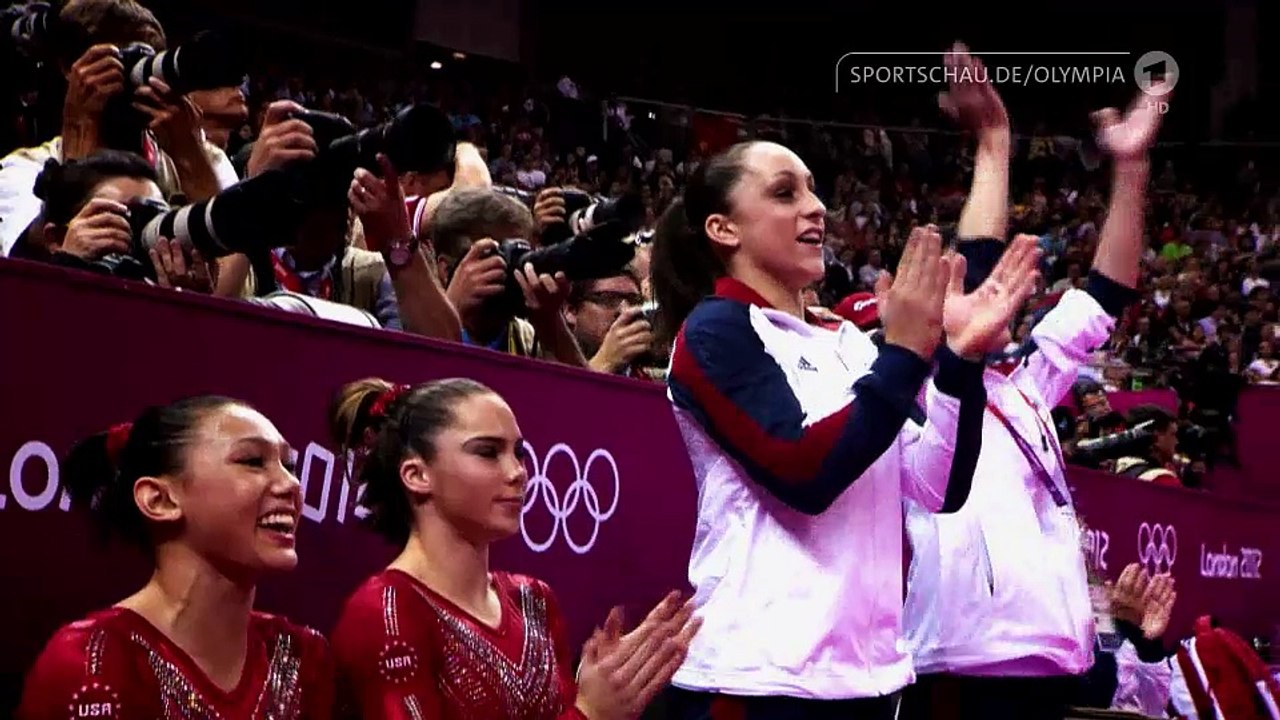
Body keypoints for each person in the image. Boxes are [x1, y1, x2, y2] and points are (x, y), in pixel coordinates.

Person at [650, 137, 1038, 718]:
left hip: (867, 677)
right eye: (785, 193)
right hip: (758, 677)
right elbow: (804, 472)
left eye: (812, 190)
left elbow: (938, 487)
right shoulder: (715, 330)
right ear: (723, 229)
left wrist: (960, 360)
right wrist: (904, 354)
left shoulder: (849, 344)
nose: (815, 207)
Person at [899, 46, 1172, 720]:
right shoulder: (913, 395)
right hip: (965, 664)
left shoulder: (1025, 388)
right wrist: (994, 144)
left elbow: (1107, 293)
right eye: (970, 293)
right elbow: (978, 262)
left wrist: (1132, 167)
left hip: (1061, 659)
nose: (993, 300)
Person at [328, 377, 700, 719]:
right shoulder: (385, 612)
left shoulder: (533, 600)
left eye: (518, 453)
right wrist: (589, 713)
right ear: (417, 475)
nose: (517, 471)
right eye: (487, 452)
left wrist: (604, 694)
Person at [17, 396, 334, 719]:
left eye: (289, 467)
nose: (291, 484)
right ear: (160, 500)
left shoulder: (302, 658)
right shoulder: (94, 663)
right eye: (253, 461)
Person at [0, 0, 239, 256]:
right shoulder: (22, 170)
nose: (131, 81)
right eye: (118, 62)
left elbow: (231, 278)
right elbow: (30, 271)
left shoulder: (209, 161)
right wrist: (78, 156)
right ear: (72, 70)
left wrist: (191, 159)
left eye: (144, 64)